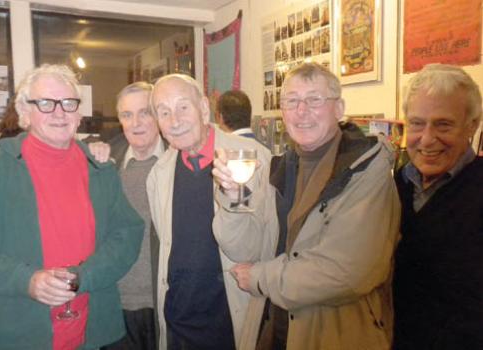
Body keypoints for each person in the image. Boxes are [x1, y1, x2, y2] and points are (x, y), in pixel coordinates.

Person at [212, 62, 400, 350]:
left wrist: (260, 277)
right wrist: (234, 197)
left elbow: (345, 273)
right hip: (276, 329)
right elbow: (245, 249)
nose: (302, 111)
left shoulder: (366, 169)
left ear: (339, 108)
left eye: (314, 99)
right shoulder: (278, 168)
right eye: (292, 101)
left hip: (336, 334)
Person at [0, 64, 144, 349]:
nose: (59, 113)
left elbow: (127, 235)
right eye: (45, 103)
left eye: (68, 103)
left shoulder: (100, 168)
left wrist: (85, 277)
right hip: (17, 332)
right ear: (24, 112)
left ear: (79, 113)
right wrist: (26, 280)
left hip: (91, 332)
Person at [147, 74, 271, 350]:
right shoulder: (159, 174)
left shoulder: (253, 159)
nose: (174, 121)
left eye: (182, 107)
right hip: (179, 323)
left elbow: (264, 244)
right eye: (164, 113)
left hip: (229, 320)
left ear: (204, 108)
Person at [393, 64, 483, 349]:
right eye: (417, 123)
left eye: (443, 124)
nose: (428, 139)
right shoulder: (395, 186)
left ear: (473, 124)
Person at [100, 82, 164, 350]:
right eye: (127, 115)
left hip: (163, 303)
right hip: (115, 303)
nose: (136, 122)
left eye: (145, 112)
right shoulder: (104, 164)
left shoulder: (179, 161)